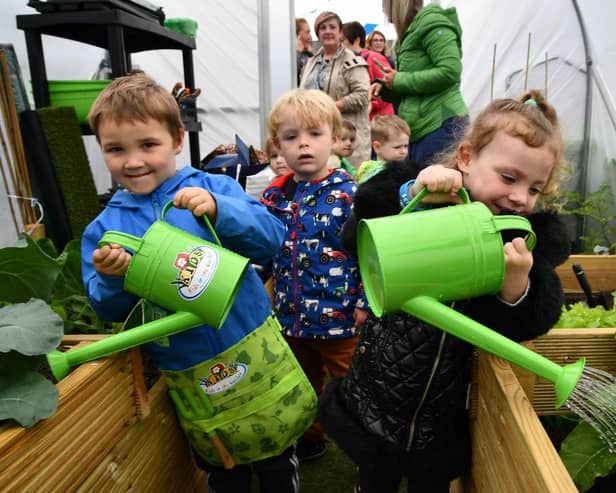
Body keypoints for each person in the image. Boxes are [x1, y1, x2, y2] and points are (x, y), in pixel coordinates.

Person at [319, 90, 571, 493]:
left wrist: (516, 286)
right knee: (374, 476)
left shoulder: (520, 246)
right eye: (509, 178)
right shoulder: (428, 195)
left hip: (439, 413)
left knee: (430, 481)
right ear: (467, 158)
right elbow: (355, 238)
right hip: (379, 386)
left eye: (534, 188)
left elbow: (527, 323)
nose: (520, 197)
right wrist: (412, 197)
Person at [81, 73, 316, 493]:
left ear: (176, 140)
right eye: (116, 150)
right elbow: (108, 309)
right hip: (188, 367)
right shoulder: (105, 229)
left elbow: (271, 240)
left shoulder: (213, 187)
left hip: (250, 341)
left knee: (277, 454)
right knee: (221, 463)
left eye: (147, 145)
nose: (132, 161)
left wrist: (220, 211)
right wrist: (112, 278)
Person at [261, 88, 369, 462]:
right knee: (302, 386)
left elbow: (373, 253)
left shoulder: (351, 195)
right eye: (292, 138)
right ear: (278, 146)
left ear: (336, 140)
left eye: (315, 135)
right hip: (291, 320)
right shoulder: (274, 198)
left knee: (353, 386)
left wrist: (365, 301)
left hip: (340, 320)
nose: (303, 145)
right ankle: (311, 438)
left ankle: (368, 451)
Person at [371, 0, 469, 167]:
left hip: (441, 124)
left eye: (388, 10)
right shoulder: (410, 32)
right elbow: (413, 88)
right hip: (423, 128)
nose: (389, 17)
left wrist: (399, 80)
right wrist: (386, 86)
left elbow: (450, 70)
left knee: (436, 190)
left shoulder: (431, 23)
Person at [300, 11, 371, 168]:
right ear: (318, 33)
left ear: (340, 32)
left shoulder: (352, 61)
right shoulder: (310, 62)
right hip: (317, 138)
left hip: (347, 140)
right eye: (323, 28)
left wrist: (332, 106)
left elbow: (363, 96)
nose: (327, 31)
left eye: (332, 27)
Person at [341, 21, 395, 120]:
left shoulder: (374, 57)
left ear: (356, 40)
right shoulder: (348, 61)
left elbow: (389, 90)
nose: (339, 45)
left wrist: (371, 103)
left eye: (342, 40)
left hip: (380, 121)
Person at [356, 114, 410, 183]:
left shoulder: (403, 168)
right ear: (377, 147)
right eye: (397, 147)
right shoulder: (373, 174)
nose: (403, 151)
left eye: (406, 146)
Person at [296, 17, 313, 86]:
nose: (310, 37)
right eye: (307, 32)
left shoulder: (308, 55)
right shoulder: (291, 57)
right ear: (297, 36)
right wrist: (297, 53)